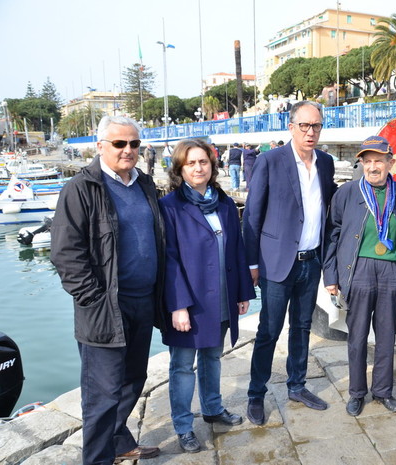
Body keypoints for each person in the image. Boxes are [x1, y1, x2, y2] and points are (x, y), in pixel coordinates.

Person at [51, 115, 165, 464]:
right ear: (100, 146)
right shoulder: (81, 189)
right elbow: (66, 254)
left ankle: (117, 442)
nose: (128, 150)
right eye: (119, 143)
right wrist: (94, 300)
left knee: (134, 378)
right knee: (101, 396)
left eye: (134, 143)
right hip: (104, 310)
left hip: (143, 303)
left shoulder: (144, 185)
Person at [159, 139, 256, 453]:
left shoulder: (225, 203)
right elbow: (169, 259)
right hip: (190, 302)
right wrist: (178, 306)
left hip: (222, 296)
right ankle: (184, 426)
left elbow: (236, 250)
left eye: (203, 162)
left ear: (213, 166)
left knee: (213, 357)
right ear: (180, 169)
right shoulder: (170, 207)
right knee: (183, 366)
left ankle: (213, 408)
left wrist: (243, 291)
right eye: (191, 163)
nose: (198, 168)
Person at [243, 101, 336, 425]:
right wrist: (251, 264)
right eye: (304, 126)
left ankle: (297, 385)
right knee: (269, 330)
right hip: (276, 264)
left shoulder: (326, 162)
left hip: (311, 262)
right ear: (291, 126)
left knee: (302, 327)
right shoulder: (270, 161)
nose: (311, 132)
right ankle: (256, 394)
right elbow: (252, 217)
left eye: (316, 126)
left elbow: (327, 209)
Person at [323, 136, 396, 417]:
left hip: (390, 271)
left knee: (386, 335)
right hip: (357, 270)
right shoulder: (347, 193)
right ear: (361, 163)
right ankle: (357, 393)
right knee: (357, 336)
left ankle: (383, 391)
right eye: (367, 161)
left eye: (379, 161)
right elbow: (332, 234)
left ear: (390, 163)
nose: (373, 167)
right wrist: (330, 276)